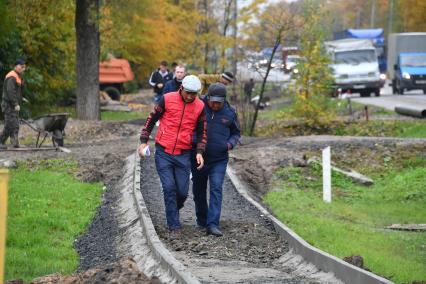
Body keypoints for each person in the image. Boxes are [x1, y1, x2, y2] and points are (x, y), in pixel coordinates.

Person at [139, 75, 207, 233]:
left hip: (183, 154)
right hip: (163, 151)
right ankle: (174, 227)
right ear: (181, 88)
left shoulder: (200, 106)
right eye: (188, 92)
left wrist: (199, 152)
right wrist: (143, 140)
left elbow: (202, 131)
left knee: (182, 192)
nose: (190, 96)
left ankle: (173, 209)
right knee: (169, 188)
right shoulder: (167, 99)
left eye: (194, 94)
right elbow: (151, 118)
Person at [191, 83, 240, 236]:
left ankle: (212, 224)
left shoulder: (230, 112)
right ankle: (202, 219)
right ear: (208, 98)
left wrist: (229, 145)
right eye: (213, 102)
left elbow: (236, 133)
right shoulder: (198, 107)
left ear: (224, 100)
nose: (216, 105)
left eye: (219, 102)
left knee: (216, 188)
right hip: (198, 157)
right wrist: (194, 142)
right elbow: (189, 127)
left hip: (219, 159)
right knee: (199, 189)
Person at [0, 59, 27, 149]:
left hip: (13, 104)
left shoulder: (18, 76)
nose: (23, 68)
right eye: (21, 66)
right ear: (16, 66)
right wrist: (15, 103)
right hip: (8, 105)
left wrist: (21, 98)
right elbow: (10, 91)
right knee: (10, 124)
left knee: (14, 124)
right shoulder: (12, 76)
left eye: (24, 67)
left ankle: (14, 143)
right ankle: (2, 141)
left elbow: (16, 91)